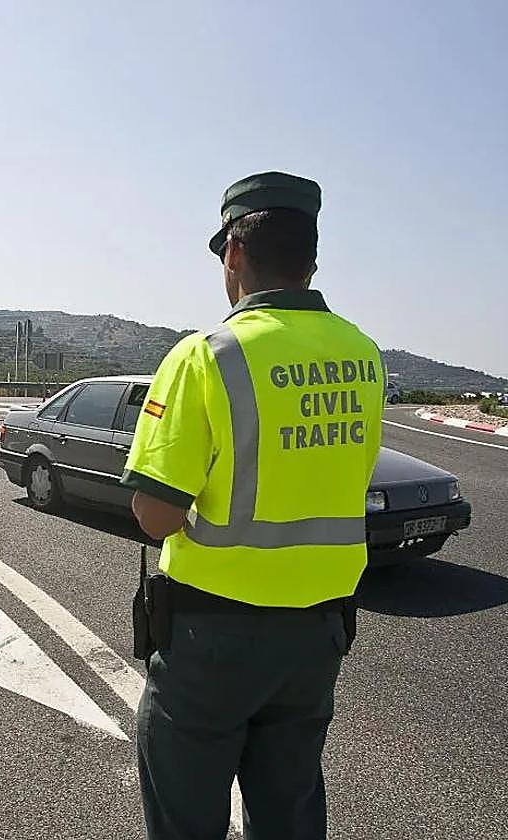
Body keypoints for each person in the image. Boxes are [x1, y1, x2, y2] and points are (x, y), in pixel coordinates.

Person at [120, 172, 384, 840]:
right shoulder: (363, 355)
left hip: (213, 643)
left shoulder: (206, 355)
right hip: (318, 638)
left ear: (234, 253)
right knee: (290, 812)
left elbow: (157, 516)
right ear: (312, 261)